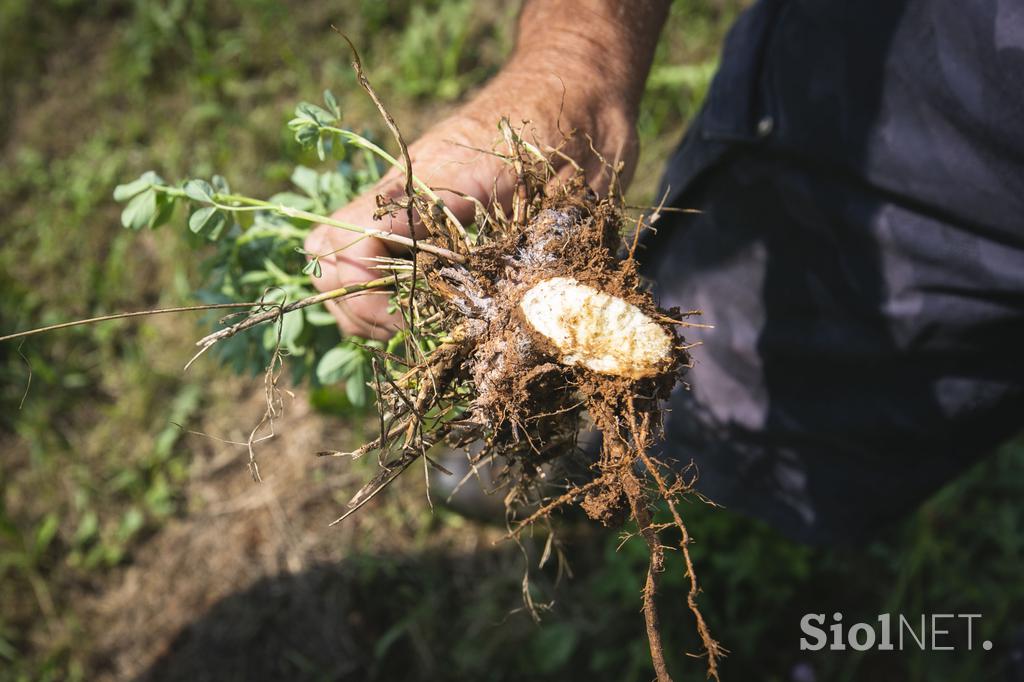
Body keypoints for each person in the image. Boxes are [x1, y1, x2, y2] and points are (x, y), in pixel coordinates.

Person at [305, 0, 1024, 545]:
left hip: (980, 256)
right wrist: (579, 59)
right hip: (885, 81)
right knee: (709, 303)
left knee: (844, 406)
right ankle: (583, 435)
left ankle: (645, 459)